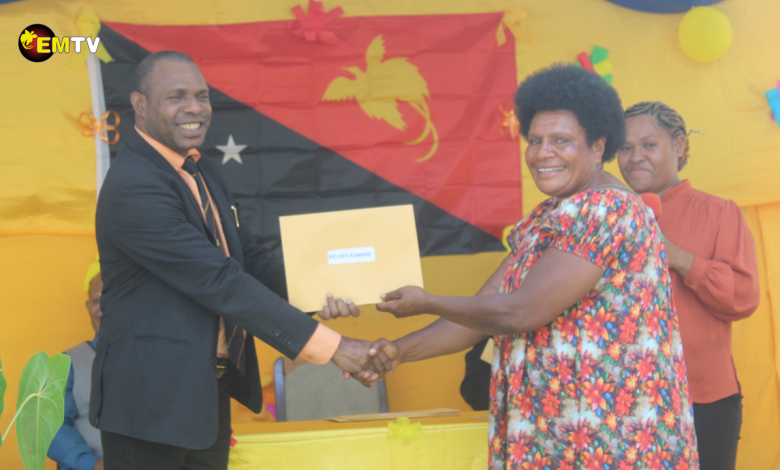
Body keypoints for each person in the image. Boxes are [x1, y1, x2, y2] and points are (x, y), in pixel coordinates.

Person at [366, 64, 700, 468]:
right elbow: (487, 308)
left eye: (561, 140)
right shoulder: (549, 216)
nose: (543, 153)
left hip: (608, 440)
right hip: (554, 433)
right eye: (536, 140)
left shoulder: (607, 209)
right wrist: (400, 351)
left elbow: (520, 311)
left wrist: (428, 301)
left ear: (598, 146)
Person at [92, 51, 383, 470]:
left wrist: (322, 292)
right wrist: (334, 347)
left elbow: (247, 258)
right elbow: (220, 280)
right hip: (149, 404)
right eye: (176, 96)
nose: (194, 107)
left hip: (204, 396)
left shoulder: (201, 169)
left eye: (201, 96)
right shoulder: (135, 185)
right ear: (140, 104)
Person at [617, 101, 760, 470]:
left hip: (704, 398)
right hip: (623, 398)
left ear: (678, 145)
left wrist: (680, 258)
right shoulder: (609, 217)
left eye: (649, 145)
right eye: (625, 147)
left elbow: (742, 298)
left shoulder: (719, 212)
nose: (635, 157)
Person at [48, 257, 104, 470]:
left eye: (114, 297)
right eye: (97, 300)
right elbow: (53, 426)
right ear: (88, 306)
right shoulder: (67, 364)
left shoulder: (150, 361)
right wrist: (92, 464)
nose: (104, 307)